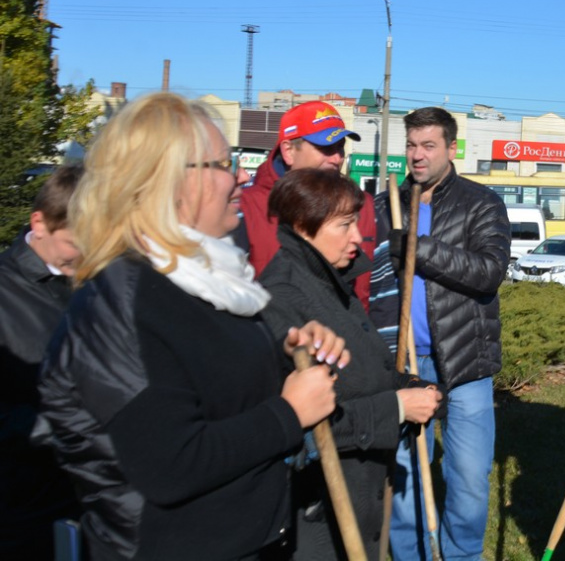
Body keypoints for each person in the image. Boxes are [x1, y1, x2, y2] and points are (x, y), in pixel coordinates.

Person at [38, 92, 349, 561]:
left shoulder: (207, 279)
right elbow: (170, 463)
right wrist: (289, 412)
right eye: (225, 162)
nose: (243, 175)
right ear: (171, 181)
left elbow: (212, 387)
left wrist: (288, 357)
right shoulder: (119, 301)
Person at [259, 168, 443, 560]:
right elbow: (308, 426)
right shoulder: (284, 297)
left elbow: (363, 372)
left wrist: (406, 384)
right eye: (344, 226)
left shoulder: (329, 284)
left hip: (358, 505)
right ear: (303, 227)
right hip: (317, 517)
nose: (358, 238)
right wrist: (398, 407)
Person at [382, 106, 510, 561]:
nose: (417, 156)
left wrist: (419, 246)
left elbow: (489, 273)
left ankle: (461, 556)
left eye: (428, 146)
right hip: (401, 364)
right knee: (402, 480)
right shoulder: (389, 203)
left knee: (469, 481)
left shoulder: (481, 202)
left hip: (463, 360)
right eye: (412, 146)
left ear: (451, 148)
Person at [0, 164, 83, 558]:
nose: (85, 254)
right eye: (74, 241)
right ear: (40, 222)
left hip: (88, 497)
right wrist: (76, 423)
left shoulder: (98, 283)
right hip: (24, 509)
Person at [239, 100, 379, 310]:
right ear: (288, 151)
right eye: (325, 148)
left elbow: (377, 294)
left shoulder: (364, 205)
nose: (337, 158)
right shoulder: (245, 208)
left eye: (340, 147)